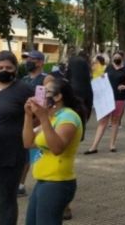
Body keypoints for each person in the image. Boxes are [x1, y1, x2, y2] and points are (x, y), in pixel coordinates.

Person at [22, 77, 84, 225]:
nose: (42, 96)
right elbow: (28, 142)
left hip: (57, 182)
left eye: (46, 92)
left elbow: (57, 148)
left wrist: (43, 117)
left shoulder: (68, 117)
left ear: (58, 96)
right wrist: (28, 116)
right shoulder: (52, 117)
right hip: (43, 180)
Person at [0, 51, 34, 225]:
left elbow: (36, 115)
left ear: (15, 69)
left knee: (4, 201)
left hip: (8, 155)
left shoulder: (24, 90)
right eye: (0, 67)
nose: (4, 70)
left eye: (8, 67)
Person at [84, 52, 125, 154]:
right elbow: (97, 76)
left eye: (119, 57)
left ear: (122, 58)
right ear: (112, 58)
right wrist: (100, 77)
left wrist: (124, 87)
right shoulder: (107, 68)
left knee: (115, 122)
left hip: (119, 98)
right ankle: (94, 146)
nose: (117, 58)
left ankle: (112, 145)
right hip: (106, 98)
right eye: (115, 57)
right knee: (103, 122)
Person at [19, 50, 48, 197]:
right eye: (27, 58)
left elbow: (44, 104)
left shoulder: (46, 79)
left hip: (37, 122)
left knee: (33, 154)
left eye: (33, 59)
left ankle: (28, 184)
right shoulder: (23, 79)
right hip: (23, 121)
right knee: (22, 153)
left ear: (41, 62)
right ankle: (19, 184)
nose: (28, 61)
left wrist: (37, 121)